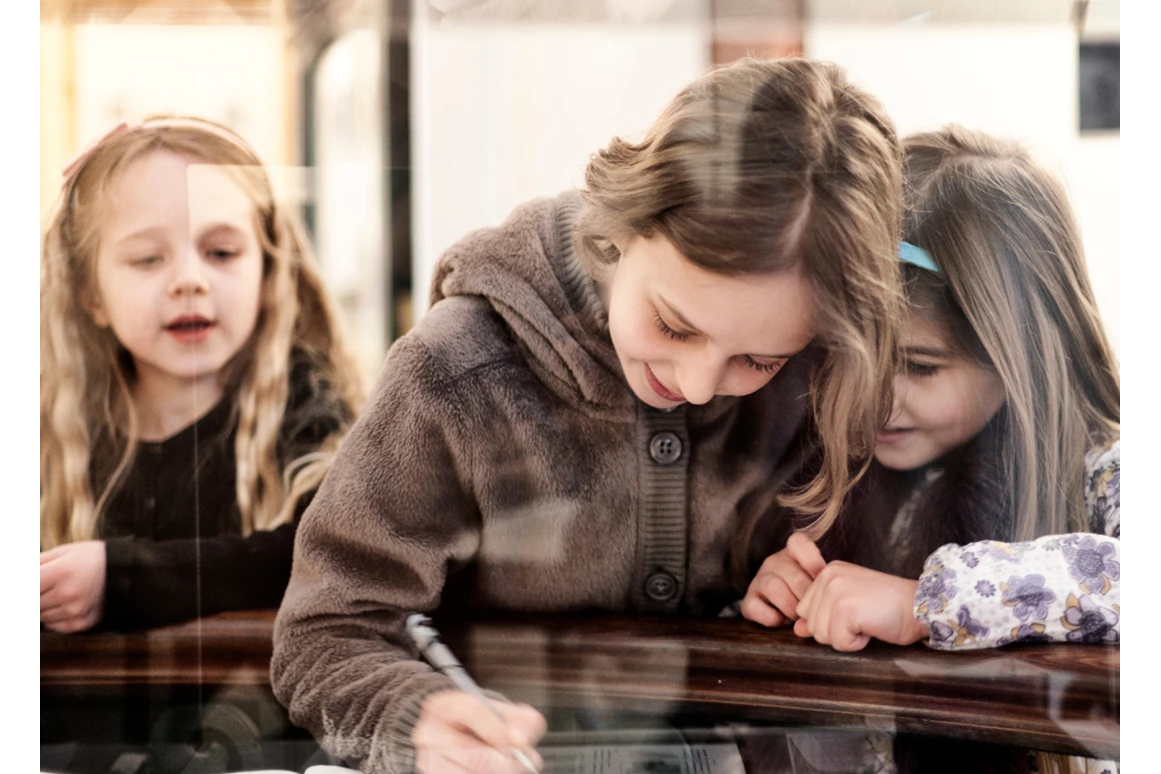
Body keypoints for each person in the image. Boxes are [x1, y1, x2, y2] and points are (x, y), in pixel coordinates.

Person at [271, 57, 905, 774]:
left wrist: (780, 592)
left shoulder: (815, 380)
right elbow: (324, 634)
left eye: (756, 361)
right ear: (619, 227)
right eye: (672, 325)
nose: (698, 387)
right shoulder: (454, 373)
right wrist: (411, 720)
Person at [740, 125, 1120, 774]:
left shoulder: (1099, 467)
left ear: (1020, 359)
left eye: (920, 367)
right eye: (856, 362)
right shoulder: (834, 470)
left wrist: (927, 601)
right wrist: (778, 597)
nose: (877, 402)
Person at [39, 116, 365, 633]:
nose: (189, 280)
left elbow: (332, 550)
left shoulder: (303, 403)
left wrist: (122, 579)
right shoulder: (58, 427)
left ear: (268, 270)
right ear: (90, 295)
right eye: (147, 258)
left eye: (221, 253)